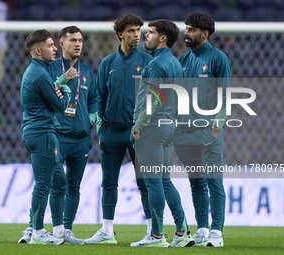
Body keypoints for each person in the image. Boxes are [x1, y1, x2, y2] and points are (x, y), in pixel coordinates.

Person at [18, 26, 98, 245]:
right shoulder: (44, 72)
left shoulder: (82, 71)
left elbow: (94, 98)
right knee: (44, 184)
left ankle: (61, 230)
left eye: (80, 39)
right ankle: (36, 231)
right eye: (51, 45)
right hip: (46, 132)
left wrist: (92, 115)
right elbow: (62, 106)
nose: (53, 48)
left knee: (62, 183)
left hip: (60, 133)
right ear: (38, 51)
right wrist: (66, 91)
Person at [85, 13, 152, 244]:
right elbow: (100, 98)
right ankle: (106, 231)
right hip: (111, 132)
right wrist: (101, 130)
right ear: (120, 34)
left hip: (138, 132)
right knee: (109, 182)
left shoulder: (147, 61)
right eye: (132, 30)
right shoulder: (107, 63)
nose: (137, 35)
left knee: (145, 182)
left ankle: (153, 231)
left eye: (138, 30)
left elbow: (155, 99)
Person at [130, 19, 194, 248]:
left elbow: (152, 98)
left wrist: (138, 126)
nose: (146, 35)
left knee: (153, 183)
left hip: (152, 127)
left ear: (163, 38)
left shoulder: (156, 64)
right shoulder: (175, 63)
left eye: (151, 32)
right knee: (165, 182)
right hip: (167, 125)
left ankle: (156, 235)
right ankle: (182, 231)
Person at [174, 12, 231, 247]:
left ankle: (217, 232)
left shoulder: (218, 59)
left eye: (191, 30)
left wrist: (217, 126)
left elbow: (226, 95)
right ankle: (202, 230)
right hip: (184, 132)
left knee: (213, 181)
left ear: (204, 33)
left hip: (208, 131)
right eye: (186, 29)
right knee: (196, 182)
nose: (186, 33)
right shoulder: (183, 60)